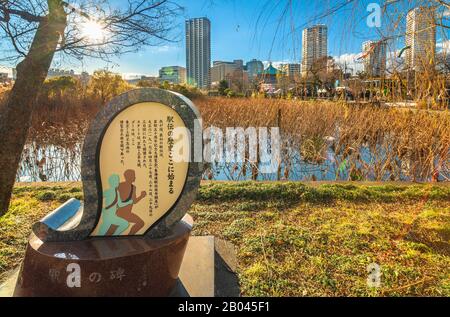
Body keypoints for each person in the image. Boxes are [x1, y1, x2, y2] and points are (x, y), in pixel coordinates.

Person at [115, 169, 147, 235]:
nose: (135, 177)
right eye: (133, 176)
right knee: (140, 223)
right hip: (120, 212)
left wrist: (141, 196)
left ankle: (130, 236)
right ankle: (129, 236)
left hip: (127, 213)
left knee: (140, 223)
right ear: (129, 176)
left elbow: (134, 201)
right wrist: (141, 196)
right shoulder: (120, 186)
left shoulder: (133, 187)